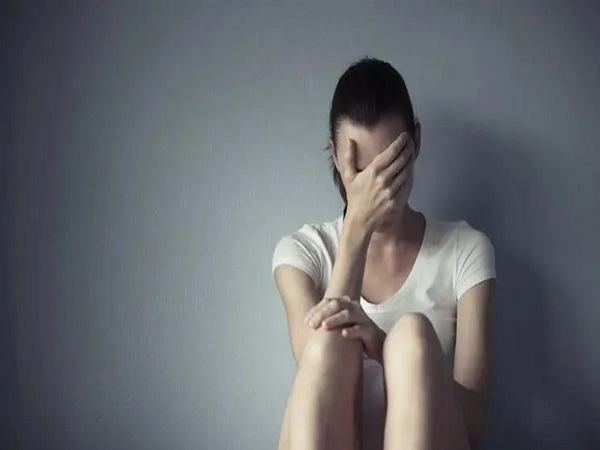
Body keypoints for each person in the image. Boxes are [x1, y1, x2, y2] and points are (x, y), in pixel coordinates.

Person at [271, 57, 496, 450]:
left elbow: (475, 425)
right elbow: (316, 374)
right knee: (325, 342)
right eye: (362, 173)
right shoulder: (302, 253)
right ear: (336, 156)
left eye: (391, 169)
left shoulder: (466, 251)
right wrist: (357, 227)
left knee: (412, 337)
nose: (379, 191)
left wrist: (386, 346)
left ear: (416, 143)